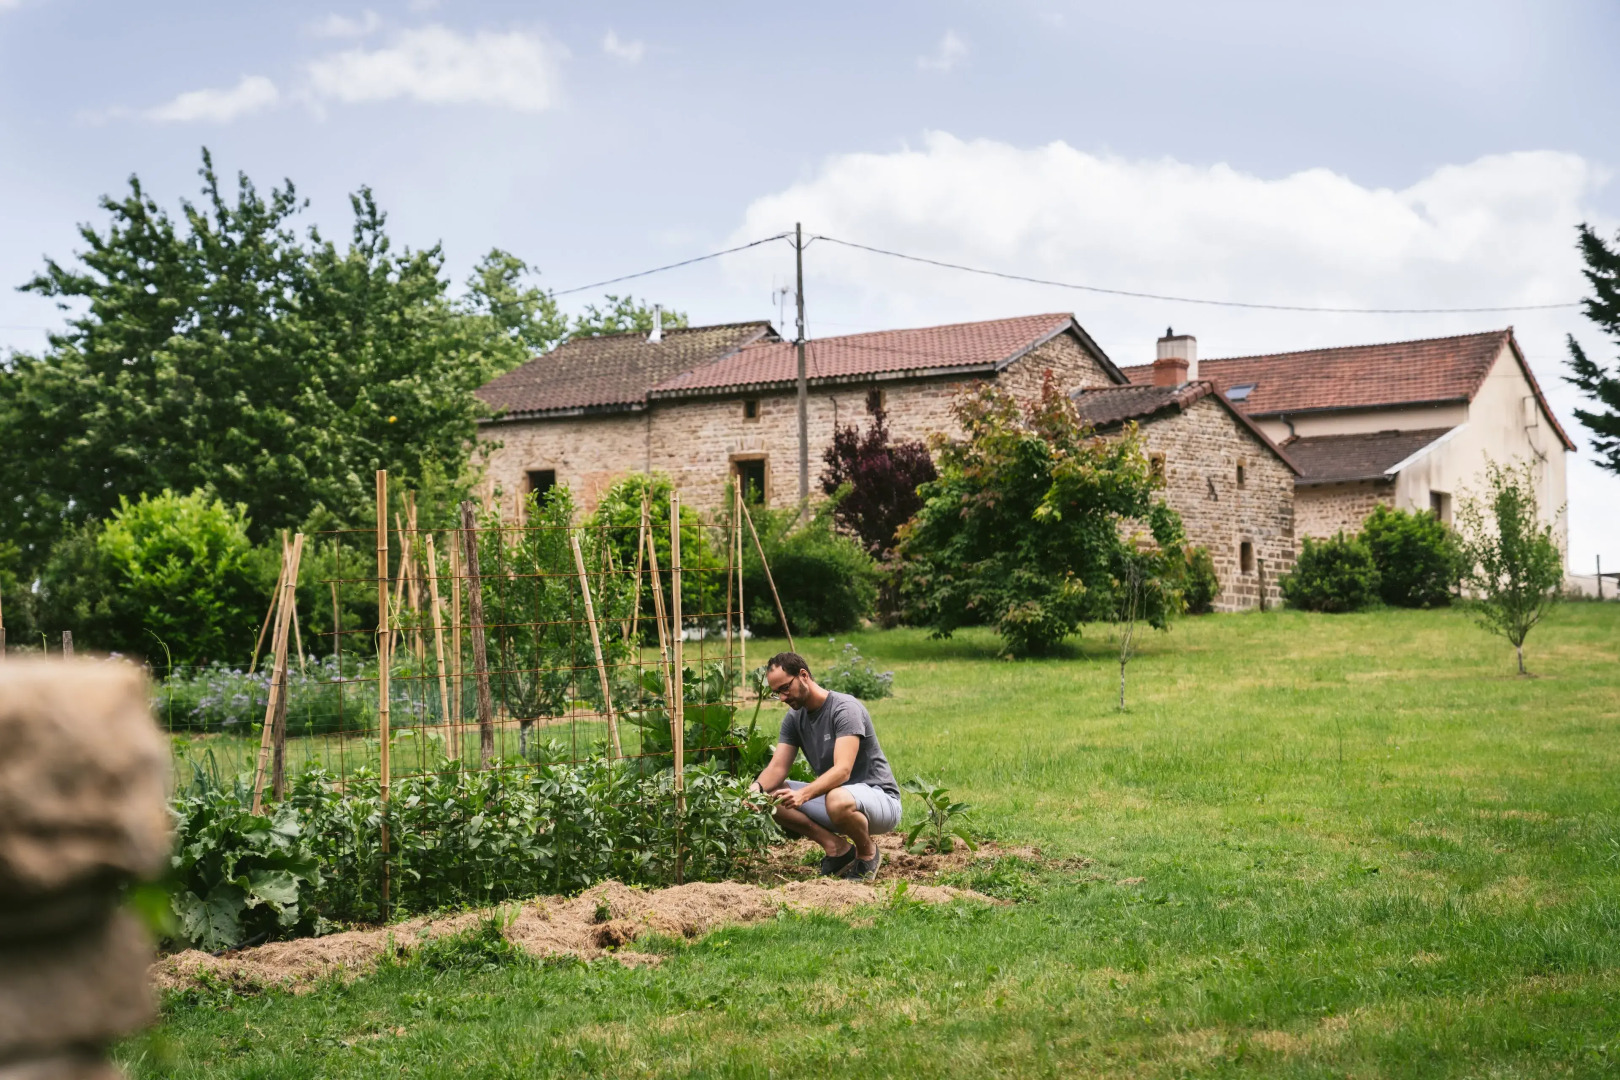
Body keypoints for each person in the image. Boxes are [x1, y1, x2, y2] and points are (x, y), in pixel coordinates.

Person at [750, 651, 902, 879]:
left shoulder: (844, 709)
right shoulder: (794, 718)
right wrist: (754, 791)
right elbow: (777, 768)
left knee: (836, 798)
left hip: (880, 801)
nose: (782, 698)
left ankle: (867, 853)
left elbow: (843, 770)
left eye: (785, 688)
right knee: (771, 794)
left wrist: (804, 794)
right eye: (776, 693)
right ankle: (838, 849)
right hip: (837, 800)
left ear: (803, 675)